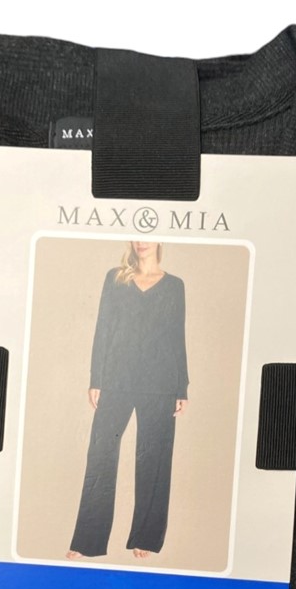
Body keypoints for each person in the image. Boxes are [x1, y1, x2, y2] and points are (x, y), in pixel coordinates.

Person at [67, 240, 189, 560]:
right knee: (101, 456)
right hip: (117, 379)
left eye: (148, 235)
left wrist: (182, 387)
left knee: (154, 461)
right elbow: (103, 328)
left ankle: (146, 537)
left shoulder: (175, 286)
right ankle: (87, 541)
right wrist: (96, 378)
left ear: (160, 240)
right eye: (136, 236)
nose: (142, 242)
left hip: (161, 382)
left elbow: (177, 336)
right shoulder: (116, 278)